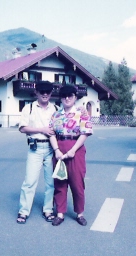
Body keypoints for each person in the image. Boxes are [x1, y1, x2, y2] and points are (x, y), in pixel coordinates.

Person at [49, 85, 93, 226]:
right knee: (60, 182)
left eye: (70, 96)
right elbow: (51, 133)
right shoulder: (56, 115)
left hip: (76, 149)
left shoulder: (82, 113)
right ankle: (60, 213)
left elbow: (85, 132)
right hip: (59, 149)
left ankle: (79, 213)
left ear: (75, 97)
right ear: (60, 98)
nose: (67, 98)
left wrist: (73, 150)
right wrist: (56, 150)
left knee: (77, 183)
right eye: (64, 96)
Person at [17, 81, 57, 224]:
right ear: (37, 93)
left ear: (51, 93)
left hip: (51, 149)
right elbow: (22, 128)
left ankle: (48, 210)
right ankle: (23, 211)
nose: (45, 94)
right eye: (42, 91)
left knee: (51, 182)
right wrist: (42, 130)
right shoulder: (29, 108)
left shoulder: (56, 109)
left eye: (47, 92)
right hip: (35, 148)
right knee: (29, 182)